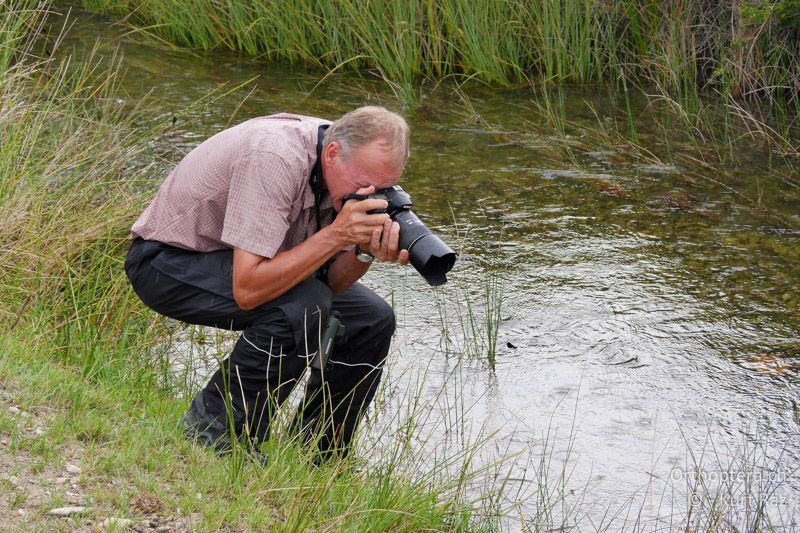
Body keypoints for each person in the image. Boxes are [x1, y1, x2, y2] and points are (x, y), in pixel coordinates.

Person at [124, 106, 410, 463]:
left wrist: (362, 253)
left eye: (383, 187)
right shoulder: (274, 156)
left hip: (247, 262)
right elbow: (248, 289)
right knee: (303, 304)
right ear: (333, 153)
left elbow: (332, 286)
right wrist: (337, 235)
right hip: (167, 263)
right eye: (364, 185)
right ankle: (216, 430)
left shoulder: (349, 178)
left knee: (372, 318)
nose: (372, 196)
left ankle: (318, 452)